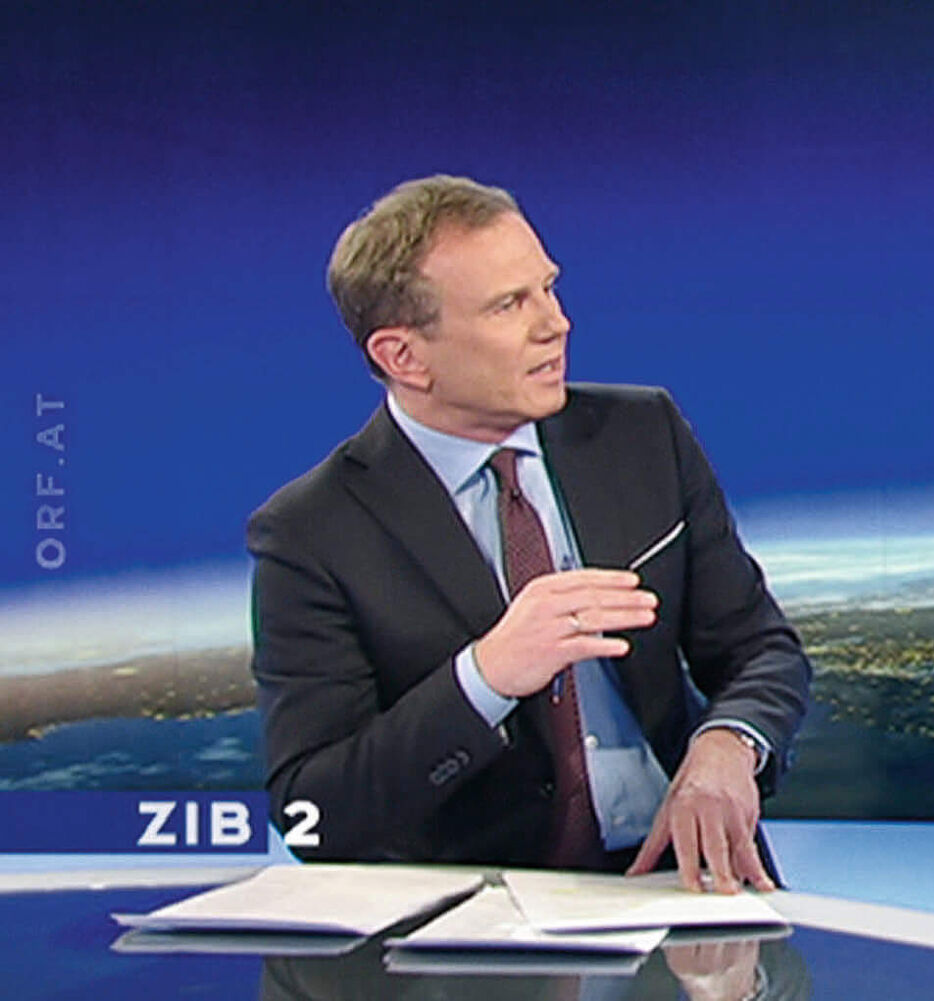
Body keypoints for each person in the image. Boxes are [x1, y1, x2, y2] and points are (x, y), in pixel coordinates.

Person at [249, 175, 810, 892]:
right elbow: (315, 816)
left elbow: (760, 648)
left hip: (687, 882)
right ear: (403, 357)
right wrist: (484, 677)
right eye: (510, 304)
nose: (556, 323)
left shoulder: (643, 436)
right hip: (472, 917)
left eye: (548, 287)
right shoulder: (311, 532)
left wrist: (729, 744)